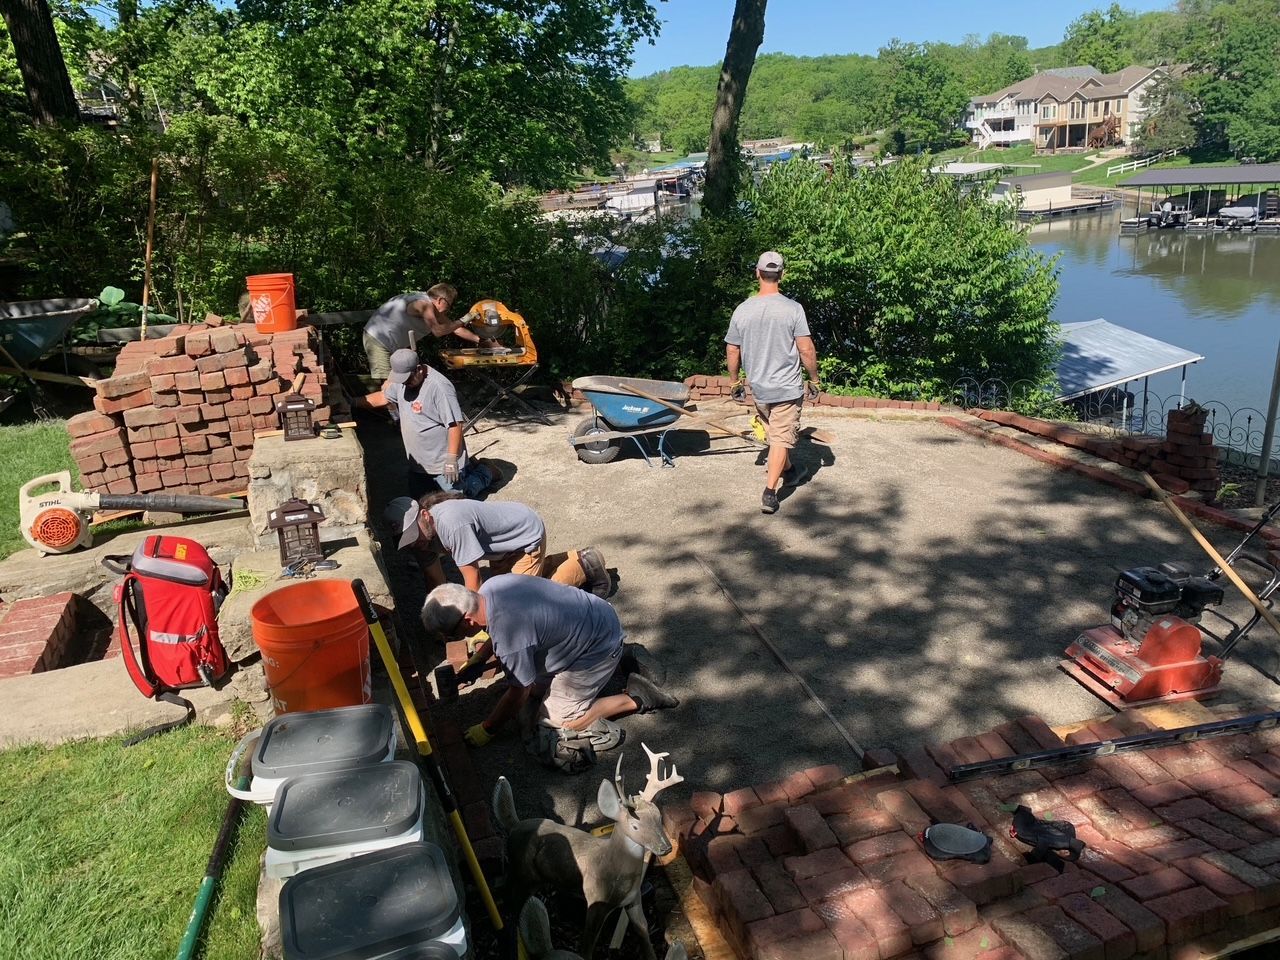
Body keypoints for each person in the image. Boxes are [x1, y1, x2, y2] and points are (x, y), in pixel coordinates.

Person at [422, 577, 678, 767]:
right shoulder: (490, 588)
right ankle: (618, 661)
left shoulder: (511, 635)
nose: (452, 638)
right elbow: (503, 634)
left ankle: (638, 697)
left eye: (452, 634)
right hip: (593, 619)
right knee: (534, 687)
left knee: (559, 722)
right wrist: (479, 659)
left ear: (467, 620)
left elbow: (518, 692)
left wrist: (488, 728)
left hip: (596, 648)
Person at [725, 251, 821, 515]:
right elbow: (806, 349)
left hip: (759, 389)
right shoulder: (793, 309)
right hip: (787, 388)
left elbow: (733, 349)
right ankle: (769, 493)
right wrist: (814, 378)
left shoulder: (742, 310)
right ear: (782, 274)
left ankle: (791, 471)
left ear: (757, 273)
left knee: (776, 435)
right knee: (779, 437)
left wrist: (734, 382)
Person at [384, 493, 610, 596]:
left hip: (523, 535)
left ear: (425, 515)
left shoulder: (452, 524)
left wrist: (477, 625)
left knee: (523, 601)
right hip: (500, 547)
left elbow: (473, 580)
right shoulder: (420, 540)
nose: (417, 543)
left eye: (416, 535)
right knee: (501, 594)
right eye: (408, 540)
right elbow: (436, 581)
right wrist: (439, 617)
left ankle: (583, 565)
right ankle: (573, 557)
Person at [365, 348, 496, 498]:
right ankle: (470, 469)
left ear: (419, 370)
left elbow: (455, 425)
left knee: (457, 501)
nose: (405, 383)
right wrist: (352, 402)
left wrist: (451, 459)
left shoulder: (439, 387)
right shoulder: (404, 380)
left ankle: (486, 472)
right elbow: (384, 397)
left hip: (441, 462)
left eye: (408, 379)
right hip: (419, 464)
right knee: (422, 503)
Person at [362, 284, 497, 381]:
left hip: (390, 342)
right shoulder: (424, 304)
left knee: (400, 380)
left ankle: (400, 416)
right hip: (378, 340)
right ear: (440, 300)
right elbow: (438, 331)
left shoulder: (427, 303)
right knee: (388, 383)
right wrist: (466, 318)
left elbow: (453, 328)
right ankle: (394, 419)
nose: (448, 311)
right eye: (449, 306)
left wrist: (481, 341)